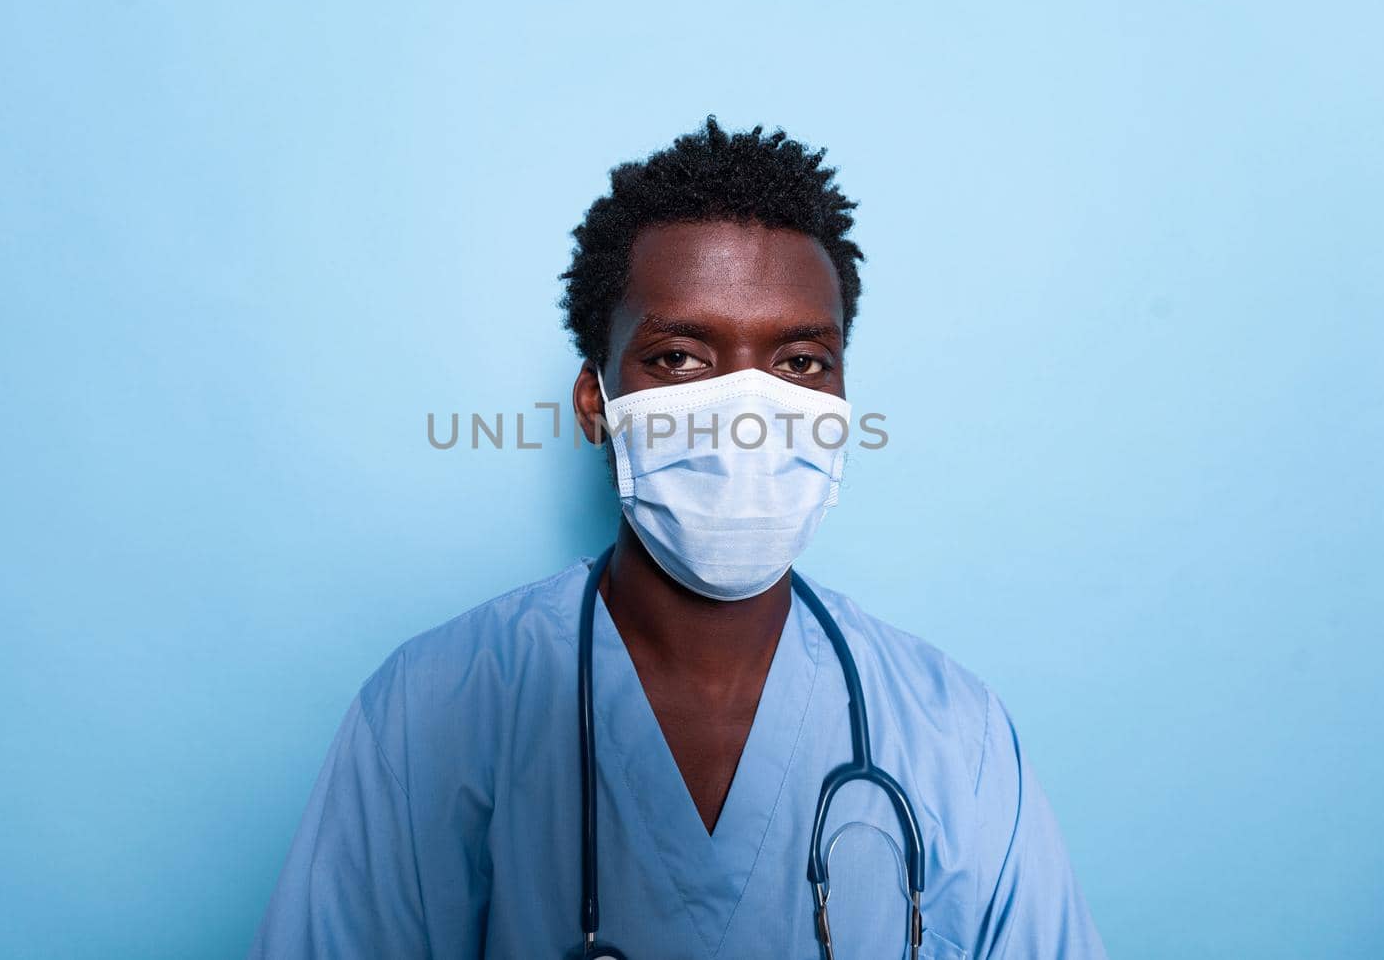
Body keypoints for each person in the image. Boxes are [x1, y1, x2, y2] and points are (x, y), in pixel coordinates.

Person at [248, 118, 1107, 959]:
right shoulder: (430, 712)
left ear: (843, 401)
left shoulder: (955, 737)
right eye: (681, 359)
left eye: (801, 362)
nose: (747, 413)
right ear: (596, 402)